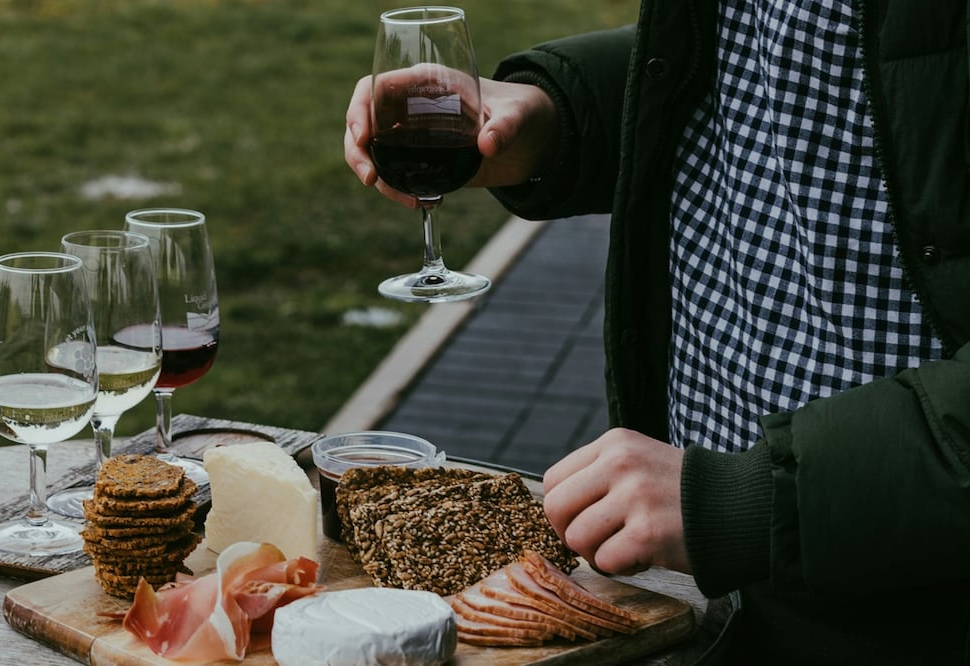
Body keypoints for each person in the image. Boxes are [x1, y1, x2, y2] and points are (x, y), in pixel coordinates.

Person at [345, 1, 970, 664]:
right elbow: (776, 74)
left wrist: (753, 499)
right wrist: (560, 116)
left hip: (910, 602)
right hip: (705, 585)